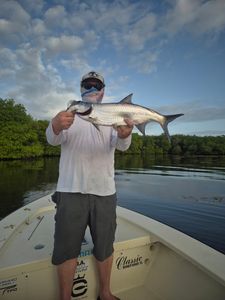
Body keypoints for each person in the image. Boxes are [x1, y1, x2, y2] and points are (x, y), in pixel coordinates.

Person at [46, 71, 133, 300]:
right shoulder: (69, 115)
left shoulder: (112, 116)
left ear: (103, 90)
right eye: (88, 84)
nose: (92, 88)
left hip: (104, 192)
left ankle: (105, 293)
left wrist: (126, 133)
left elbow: (122, 145)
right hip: (70, 190)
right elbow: (52, 138)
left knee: (105, 246)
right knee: (66, 249)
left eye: (96, 85)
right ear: (81, 88)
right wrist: (55, 124)